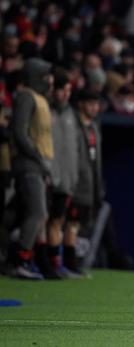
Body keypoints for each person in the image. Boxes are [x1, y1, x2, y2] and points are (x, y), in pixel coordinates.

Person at [9, 58, 54, 280]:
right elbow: (19, 131)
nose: (49, 81)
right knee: (37, 213)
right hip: (28, 163)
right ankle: (21, 260)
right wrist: (36, 156)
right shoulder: (27, 97)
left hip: (38, 164)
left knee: (28, 213)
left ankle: (20, 258)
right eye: (45, 76)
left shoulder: (40, 99)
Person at [64, 90, 103, 274]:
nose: (94, 108)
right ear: (81, 104)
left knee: (76, 224)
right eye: (90, 103)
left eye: (96, 104)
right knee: (68, 223)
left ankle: (70, 262)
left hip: (89, 185)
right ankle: (66, 263)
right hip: (73, 184)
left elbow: (96, 162)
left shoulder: (94, 128)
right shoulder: (72, 125)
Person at [46, 68, 80, 277]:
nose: (66, 94)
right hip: (47, 175)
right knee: (45, 220)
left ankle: (55, 264)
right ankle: (43, 262)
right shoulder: (45, 110)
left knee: (58, 221)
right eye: (62, 90)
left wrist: (73, 176)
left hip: (66, 179)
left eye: (69, 90)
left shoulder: (70, 114)